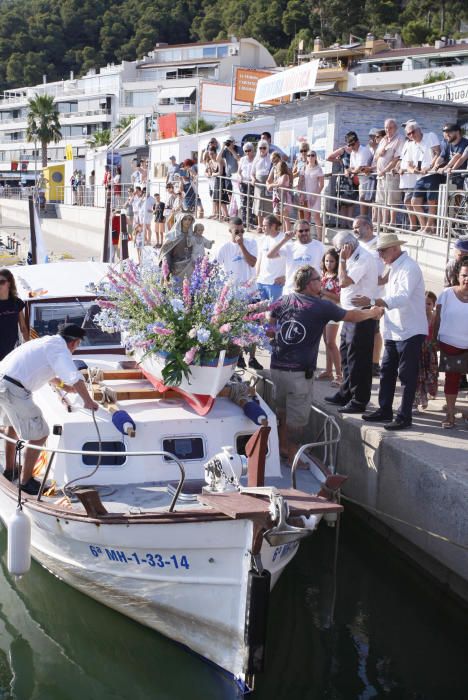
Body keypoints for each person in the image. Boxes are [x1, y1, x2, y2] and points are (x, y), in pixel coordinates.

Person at [269, 265, 383, 465]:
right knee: (297, 420)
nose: (320, 281)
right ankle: (293, 458)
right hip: (298, 374)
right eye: (317, 279)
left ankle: (282, 447)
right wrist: (372, 313)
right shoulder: (321, 306)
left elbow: (270, 320)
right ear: (308, 284)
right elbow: (351, 316)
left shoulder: (284, 300)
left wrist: (273, 333)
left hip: (277, 368)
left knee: (282, 412)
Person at [0, 324, 99, 494]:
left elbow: (45, 370)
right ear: (74, 343)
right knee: (40, 434)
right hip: (13, 389)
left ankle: (10, 470)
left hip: (4, 381)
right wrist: (88, 401)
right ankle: (26, 481)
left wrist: (64, 387)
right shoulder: (61, 350)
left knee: (11, 426)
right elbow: (75, 377)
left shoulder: (47, 342)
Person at [355, 233, 427, 430]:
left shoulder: (409, 268)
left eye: (382, 251)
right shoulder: (396, 267)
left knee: (406, 375)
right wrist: (378, 308)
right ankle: (385, 410)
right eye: (378, 251)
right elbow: (394, 298)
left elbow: (401, 298)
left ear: (395, 248)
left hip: (410, 330)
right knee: (386, 371)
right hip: (395, 330)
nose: (380, 255)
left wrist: (372, 302)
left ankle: (404, 416)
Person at [324, 231, 378, 414]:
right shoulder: (353, 256)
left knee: (358, 360)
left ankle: (359, 399)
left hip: (361, 316)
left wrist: (343, 261)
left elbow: (344, 282)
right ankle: (346, 393)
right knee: (347, 356)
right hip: (348, 314)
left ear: (348, 246)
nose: (338, 253)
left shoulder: (363, 258)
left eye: (339, 249)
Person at [213, 217, 261, 370]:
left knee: (254, 327)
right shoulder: (224, 248)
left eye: (242, 231)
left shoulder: (251, 243)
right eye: (236, 232)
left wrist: (241, 245)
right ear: (230, 231)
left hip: (251, 293)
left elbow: (253, 262)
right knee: (236, 328)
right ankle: (238, 356)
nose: (240, 234)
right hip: (233, 296)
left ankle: (252, 358)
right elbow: (213, 265)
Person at [433, 262, 468, 428]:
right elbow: (437, 318)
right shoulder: (446, 294)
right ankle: (450, 414)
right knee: (451, 380)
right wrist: (433, 340)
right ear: (458, 276)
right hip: (449, 344)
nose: (467, 279)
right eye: (464, 275)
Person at [266, 219, 325, 294]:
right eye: (301, 231)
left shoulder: (319, 246)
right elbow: (270, 255)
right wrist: (285, 240)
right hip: (291, 292)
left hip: (312, 293)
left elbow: (325, 267)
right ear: (295, 232)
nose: (304, 233)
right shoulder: (290, 246)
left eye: (306, 230)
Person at [404, 120, 441, 234]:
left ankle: (429, 227)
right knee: (414, 202)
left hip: (432, 174)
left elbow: (438, 152)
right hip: (419, 177)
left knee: (431, 202)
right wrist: (413, 170)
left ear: (419, 130)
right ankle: (424, 227)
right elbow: (408, 164)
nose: (411, 135)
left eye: (412, 132)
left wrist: (429, 167)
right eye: (408, 134)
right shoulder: (410, 145)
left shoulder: (430, 136)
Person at [373, 119, 405, 227]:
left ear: (395, 128)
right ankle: (383, 223)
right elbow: (376, 157)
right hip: (380, 175)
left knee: (392, 200)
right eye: (386, 127)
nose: (387, 130)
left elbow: (396, 158)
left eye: (390, 127)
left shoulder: (400, 139)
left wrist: (384, 170)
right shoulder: (383, 140)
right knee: (381, 200)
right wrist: (380, 154)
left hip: (390, 174)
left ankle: (392, 223)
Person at [318, 248, 342, 386]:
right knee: (326, 342)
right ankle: (328, 371)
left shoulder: (338, 277)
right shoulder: (324, 275)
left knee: (331, 342)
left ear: (337, 262)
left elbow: (339, 298)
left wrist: (324, 292)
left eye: (332, 261)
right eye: (326, 260)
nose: (329, 263)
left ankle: (339, 375)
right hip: (323, 311)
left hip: (333, 311)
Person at [414, 291, 439, 411]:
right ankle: (418, 400)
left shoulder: (435, 317)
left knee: (430, 375)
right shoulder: (417, 316)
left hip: (430, 352)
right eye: (422, 303)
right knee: (418, 376)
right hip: (418, 350)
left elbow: (437, 334)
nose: (425, 306)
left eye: (429, 303)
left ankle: (429, 394)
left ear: (433, 305)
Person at [256, 214, 286, 302]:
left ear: (273, 226)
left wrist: (286, 277)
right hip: (260, 282)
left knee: (274, 313)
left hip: (275, 284)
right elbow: (260, 260)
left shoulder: (285, 239)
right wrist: (256, 277)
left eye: (265, 226)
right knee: (261, 314)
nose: (262, 228)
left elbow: (291, 261)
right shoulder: (262, 239)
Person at [0, 269, 29, 360]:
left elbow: (23, 328)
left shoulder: (16, 302)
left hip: (13, 350)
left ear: (9, 283)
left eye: (1, 282)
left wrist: (28, 348)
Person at [159, 212, 196, 280]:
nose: (187, 221)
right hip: (175, 267)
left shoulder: (193, 236)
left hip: (189, 267)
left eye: (189, 219)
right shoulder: (173, 235)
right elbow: (166, 251)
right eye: (185, 219)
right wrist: (166, 261)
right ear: (180, 221)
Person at [346, 131, 374, 216]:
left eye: (353, 144)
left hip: (370, 180)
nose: (351, 147)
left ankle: (367, 222)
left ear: (358, 142)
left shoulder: (364, 150)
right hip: (362, 181)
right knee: (363, 201)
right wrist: (350, 170)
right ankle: (364, 221)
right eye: (349, 145)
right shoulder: (352, 153)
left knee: (368, 202)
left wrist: (351, 171)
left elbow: (360, 168)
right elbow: (352, 167)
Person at [302, 150, 324, 240]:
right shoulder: (304, 168)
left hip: (315, 195)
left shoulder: (319, 169)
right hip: (306, 194)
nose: (310, 157)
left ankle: (319, 239)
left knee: (316, 217)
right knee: (306, 217)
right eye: (309, 155)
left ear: (315, 157)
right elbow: (301, 182)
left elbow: (321, 185)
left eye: (312, 155)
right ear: (306, 157)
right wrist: (301, 194)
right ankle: (307, 237)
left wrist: (314, 196)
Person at [251, 140, 272, 233]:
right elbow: (252, 173)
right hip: (259, 182)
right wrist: (253, 179)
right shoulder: (256, 159)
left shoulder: (271, 158)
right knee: (259, 204)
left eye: (264, 148)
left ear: (267, 148)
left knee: (267, 203)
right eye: (260, 148)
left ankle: (267, 226)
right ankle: (260, 225)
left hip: (268, 181)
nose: (262, 150)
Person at [238, 142, 255, 229]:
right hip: (244, 183)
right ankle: (244, 221)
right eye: (245, 151)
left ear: (253, 150)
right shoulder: (242, 159)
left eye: (249, 150)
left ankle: (251, 222)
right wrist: (240, 177)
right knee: (243, 202)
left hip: (252, 183)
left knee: (251, 203)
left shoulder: (256, 159)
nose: (247, 152)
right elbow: (239, 172)